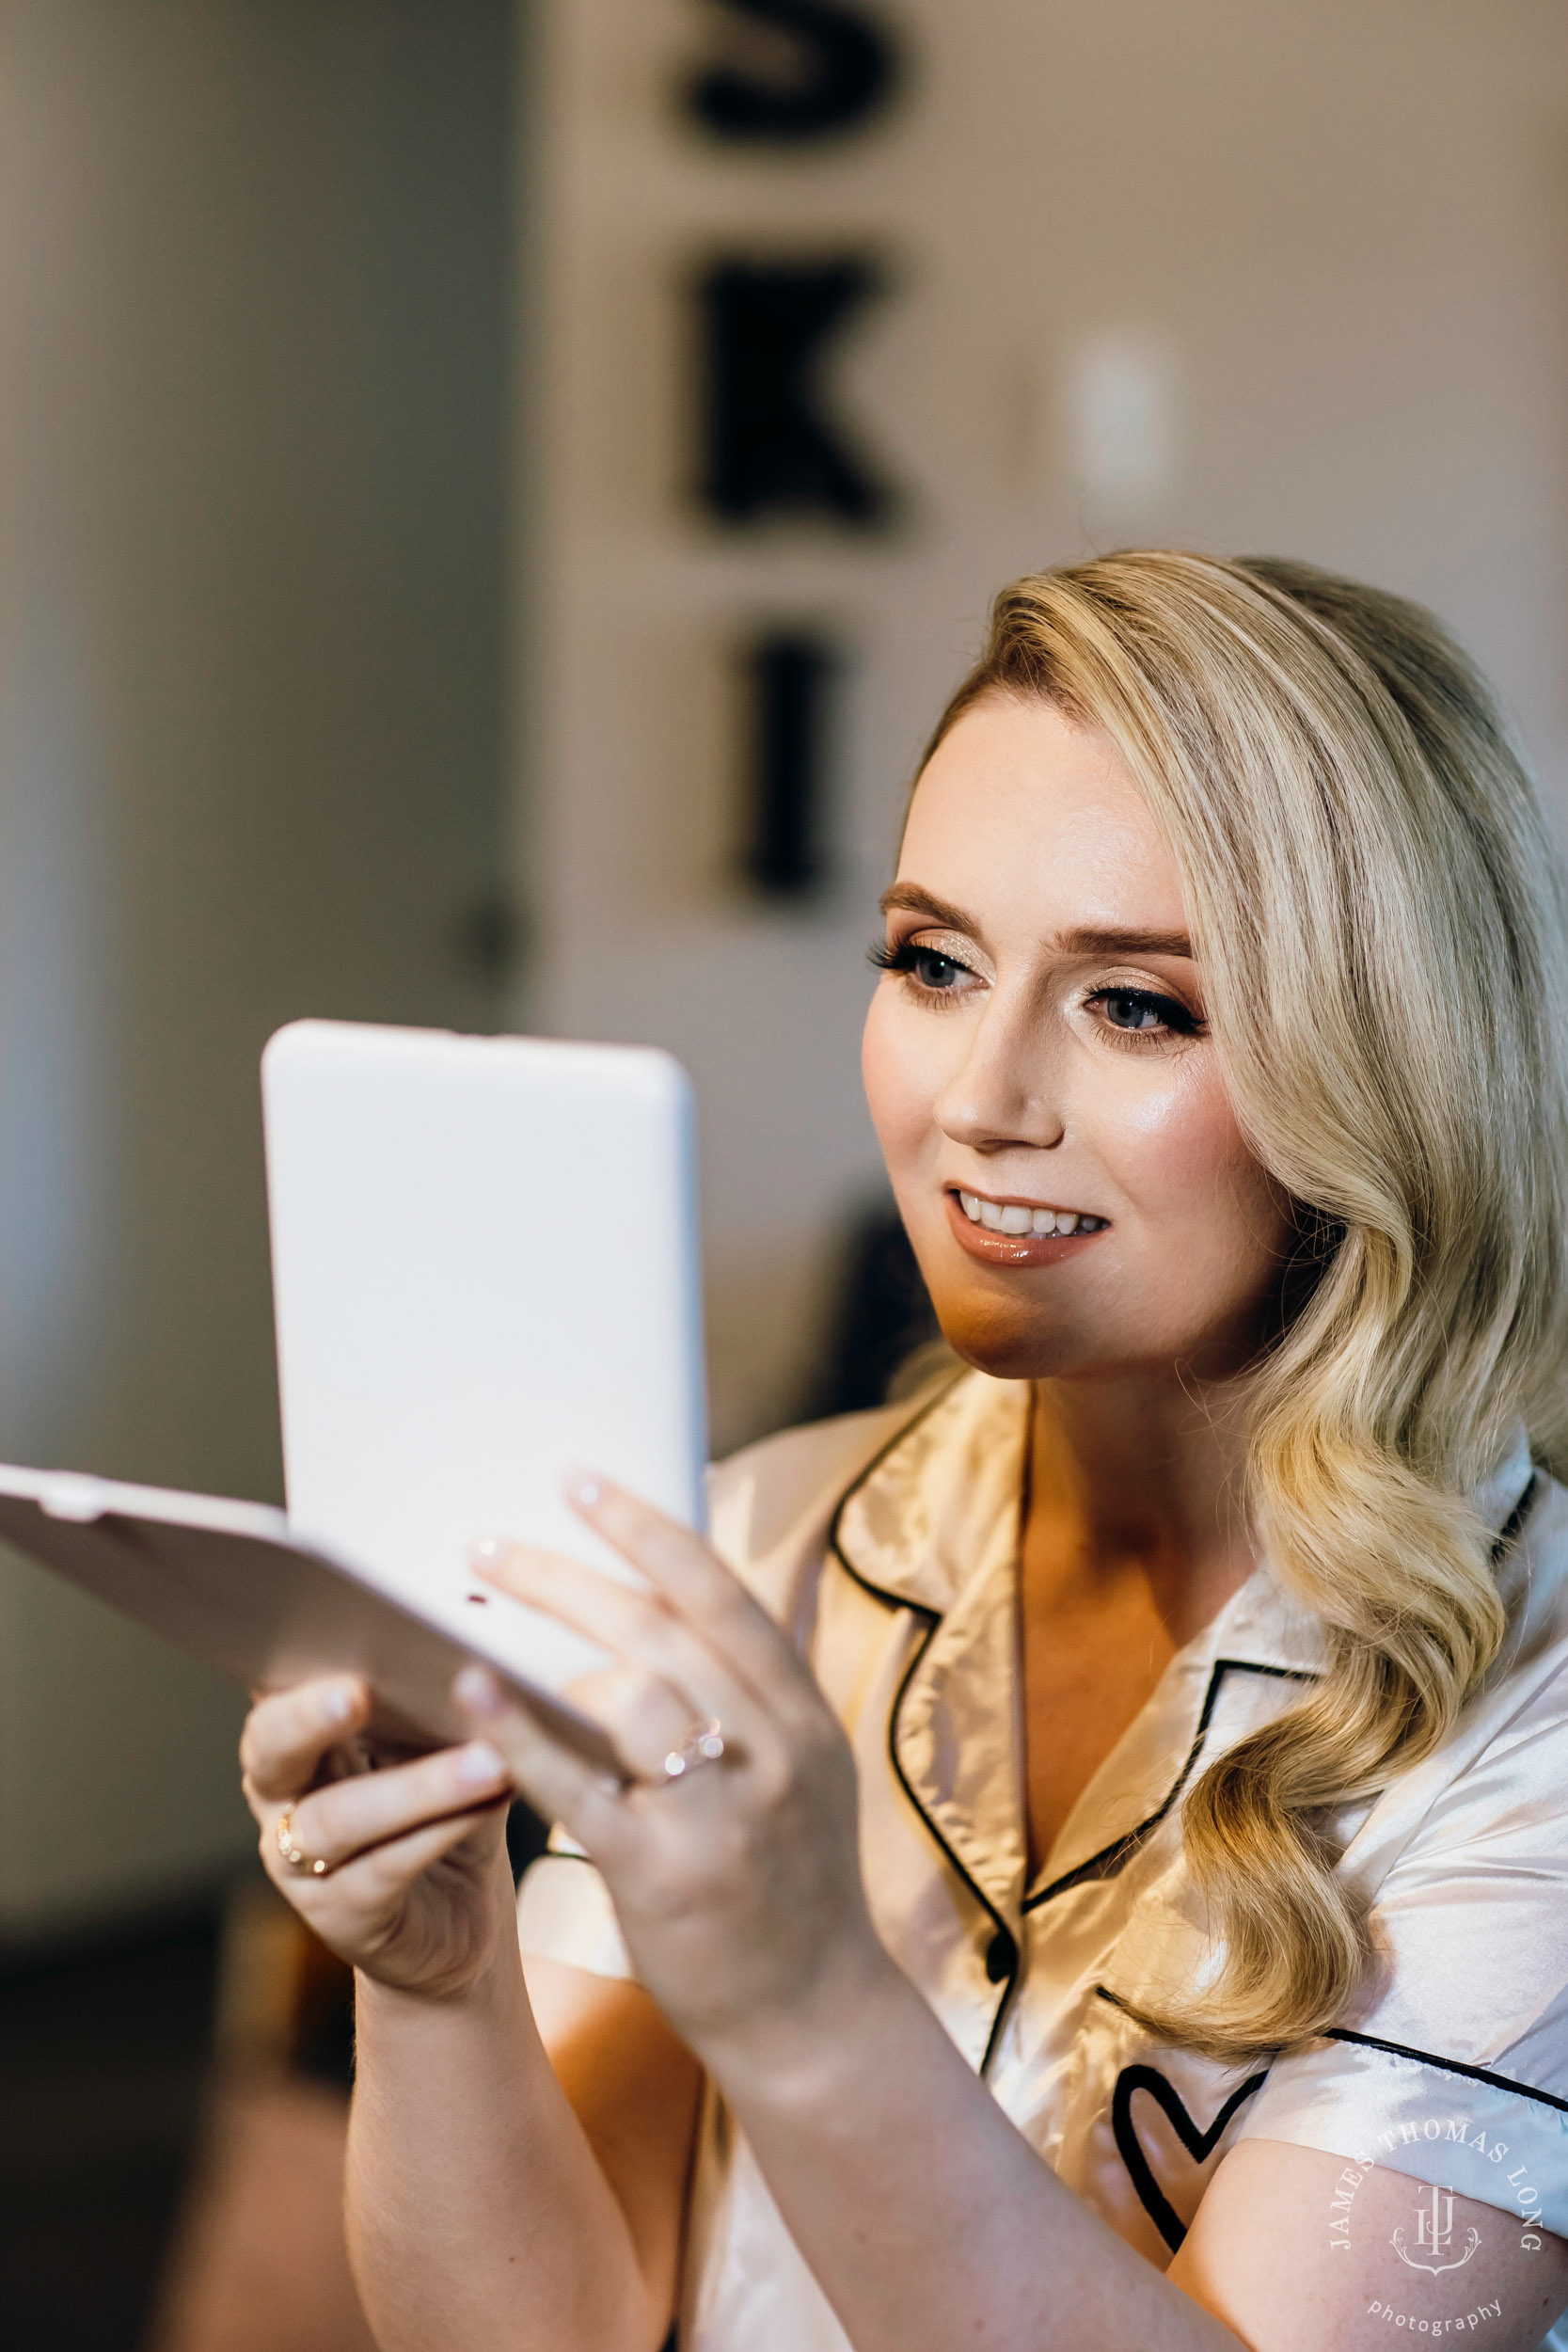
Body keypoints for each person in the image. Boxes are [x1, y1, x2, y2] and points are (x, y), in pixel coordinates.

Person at [239, 553, 1568, 2352]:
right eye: (934, 962)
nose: (977, 1101)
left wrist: (804, 2000)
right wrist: (438, 1984)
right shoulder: (750, 1543)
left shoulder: (1535, 1722)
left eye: (1138, 1004)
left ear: (1382, 1072)